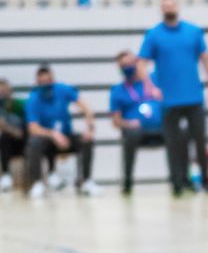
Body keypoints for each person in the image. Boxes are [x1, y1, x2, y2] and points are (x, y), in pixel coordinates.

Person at [138, 0, 208, 197]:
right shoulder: (153, 35)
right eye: (164, 6)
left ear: (177, 7)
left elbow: (206, 59)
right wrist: (150, 87)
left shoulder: (194, 32)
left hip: (194, 97)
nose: (168, 9)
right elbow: (141, 64)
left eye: (171, 5)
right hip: (169, 100)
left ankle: (205, 180)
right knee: (173, 144)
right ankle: (177, 182)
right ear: (161, 9)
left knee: (199, 141)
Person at [24, 64, 97, 199]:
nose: (46, 84)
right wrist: (53, 134)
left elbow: (86, 108)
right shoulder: (33, 99)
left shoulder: (62, 89)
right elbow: (33, 128)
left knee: (87, 140)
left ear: (53, 79)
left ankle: (86, 181)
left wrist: (90, 129)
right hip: (47, 140)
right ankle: (37, 183)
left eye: (48, 81)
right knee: (34, 142)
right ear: (37, 83)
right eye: (42, 82)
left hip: (66, 136)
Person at [109, 50, 165, 195]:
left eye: (131, 63)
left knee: (179, 132)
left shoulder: (155, 80)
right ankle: (127, 182)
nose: (128, 67)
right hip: (137, 132)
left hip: (161, 129)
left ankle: (182, 180)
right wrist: (129, 124)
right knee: (131, 134)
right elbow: (116, 121)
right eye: (124, 65)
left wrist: (160, 94)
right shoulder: (117, 91)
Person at [0, 78, 26, 192]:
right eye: (0, 93)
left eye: (4, 92)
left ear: (10, 91)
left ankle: (36, 177)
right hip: (9, 142)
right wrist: (11, 130)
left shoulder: (21, 104)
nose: (3, 95)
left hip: (24, 139)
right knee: (4, 138)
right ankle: (6, 175)